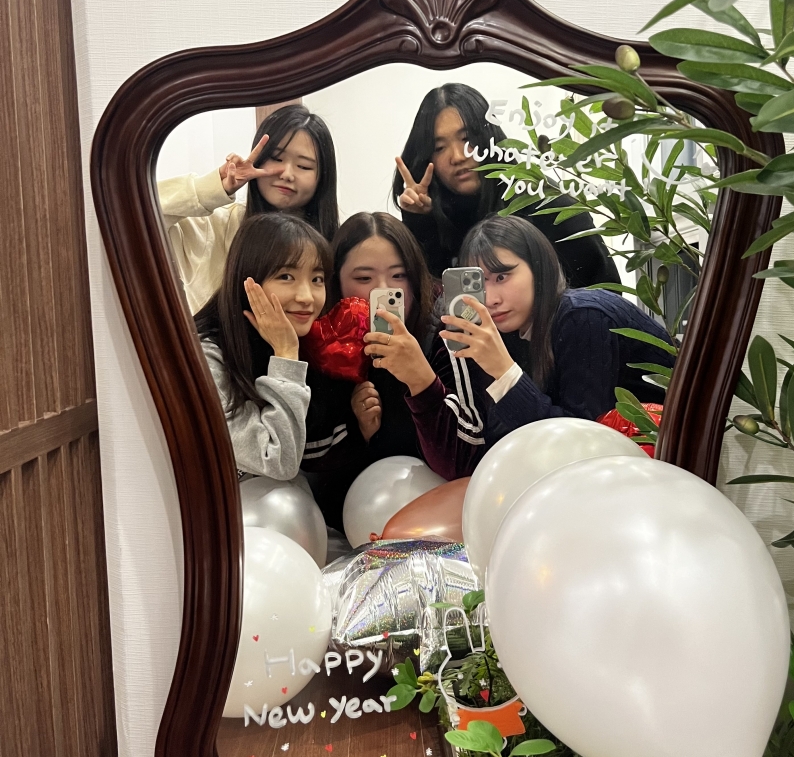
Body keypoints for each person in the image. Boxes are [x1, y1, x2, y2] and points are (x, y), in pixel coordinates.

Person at [364, 215, 675, 480]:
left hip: (674, 460)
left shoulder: (582, 316)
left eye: (502, 276)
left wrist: (504, 371)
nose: (492, 298)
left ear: (538, 268)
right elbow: (493, 446)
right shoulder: (508, 334)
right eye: (479, 283)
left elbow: (578, 447)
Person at [391, 83, 620, 288]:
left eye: (467, 138)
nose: (458, 156)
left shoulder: (546, 204)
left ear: (489, 136)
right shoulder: (435, 216)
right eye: (439, 147)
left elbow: (605, 298)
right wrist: (419, 220)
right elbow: (429, 301)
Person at [300, 212, 435, 528]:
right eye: (364, 279)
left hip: (432, 516)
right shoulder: (319, 344)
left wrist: (422, 381)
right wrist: (358, 431)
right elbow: (309, 461)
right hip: (345, 522)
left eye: (399, 275)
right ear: (335, 281)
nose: (383, 291)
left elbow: (460, 456)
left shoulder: (438, 339)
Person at [159, 104, 338, 313]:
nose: (287, 174)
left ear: (322, 177)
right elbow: (139, 211)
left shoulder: (335, 243)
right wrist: (214, 187)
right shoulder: (215, 228)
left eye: (304, 166)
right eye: (277, 158)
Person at [194, 213, 331, 481]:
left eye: (317, 279)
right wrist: (286, 355)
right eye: (286, 276)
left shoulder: (299, 339)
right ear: (247, 280)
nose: (307, 297)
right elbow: (277, 460)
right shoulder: (208, 357)